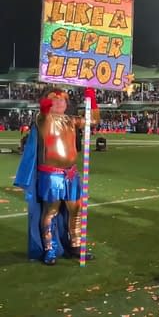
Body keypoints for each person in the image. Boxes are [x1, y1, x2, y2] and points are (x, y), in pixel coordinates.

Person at [14, 88, 99, 265]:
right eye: (55, 100)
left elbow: (93, 121)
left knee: (76, 210)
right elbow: (44, 114)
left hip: (72, 174)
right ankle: (49, 250)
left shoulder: (71, 120)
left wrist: (92, 98)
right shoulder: (44, 119)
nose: (60, 102)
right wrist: (46, 102)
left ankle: (75, 246)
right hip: (52, 175)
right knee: (51, 212)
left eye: (63, 100)